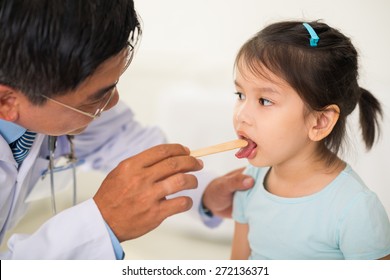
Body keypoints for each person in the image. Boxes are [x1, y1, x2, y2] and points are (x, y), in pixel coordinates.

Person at [0, 0, 254, 259]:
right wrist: (103, 222)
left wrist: (207, 191)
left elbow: (119, 140)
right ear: (7, 103)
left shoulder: (51, 98)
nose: (113, 102)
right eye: (95, 97)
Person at [230, 20, 390, 260]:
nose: (241, 115)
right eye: (240, 95)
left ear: (320, 122)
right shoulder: (247, 184)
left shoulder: (356, 209)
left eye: (264, 101)